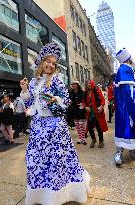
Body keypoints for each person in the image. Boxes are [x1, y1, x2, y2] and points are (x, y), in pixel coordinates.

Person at [20, 43, 90, 205]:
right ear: (41, 62)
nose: (51, 65)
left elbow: (66, 100)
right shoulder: (33, 82)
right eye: (48, 61)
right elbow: (30, 101)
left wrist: (54, 99)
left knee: (57, 159)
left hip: (55, 126)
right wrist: (24, 90)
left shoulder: (57, 80)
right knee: (37, 159)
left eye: (53, 63)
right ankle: (41, 194)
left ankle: (60, 194)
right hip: (38, 126)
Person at [84, 80, 108, 148]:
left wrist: (101, 106)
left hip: (97, 111)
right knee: (90, 127)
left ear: (92, 84)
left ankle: (101, 140)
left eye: (89, 83)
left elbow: (103, 100)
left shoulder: (97, 91)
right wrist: (85, 107)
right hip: (89, 113)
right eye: (87, 84)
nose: (88, 85)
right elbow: (83, 101)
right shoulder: (85, 92)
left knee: (99, 127)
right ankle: (93, 139)